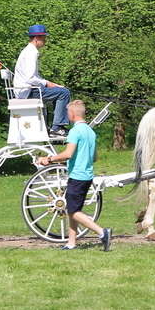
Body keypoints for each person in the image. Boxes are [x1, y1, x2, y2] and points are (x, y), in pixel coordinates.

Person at [37, 100, 112, 251]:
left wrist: (48, 159)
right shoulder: (90, 131)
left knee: (72, 211)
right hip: (87, 175)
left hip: (77, 176)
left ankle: (102, 232)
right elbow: (95, 157)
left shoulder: (75, 132)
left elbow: (68, 154)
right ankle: (71, 243)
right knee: (73, 209)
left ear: (72, 114)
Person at [14, 24, 70, 138]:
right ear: (36, 38)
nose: (45, 40)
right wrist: (47, 83)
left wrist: (51, 84)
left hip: (27, 89)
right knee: (64, 93)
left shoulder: (28, 51)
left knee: (60, 91)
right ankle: (57, 128)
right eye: (44, 38)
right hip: (27, 91)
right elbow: (30, 78)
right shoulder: (31, 53)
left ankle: (56, 126)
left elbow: (34, 77)